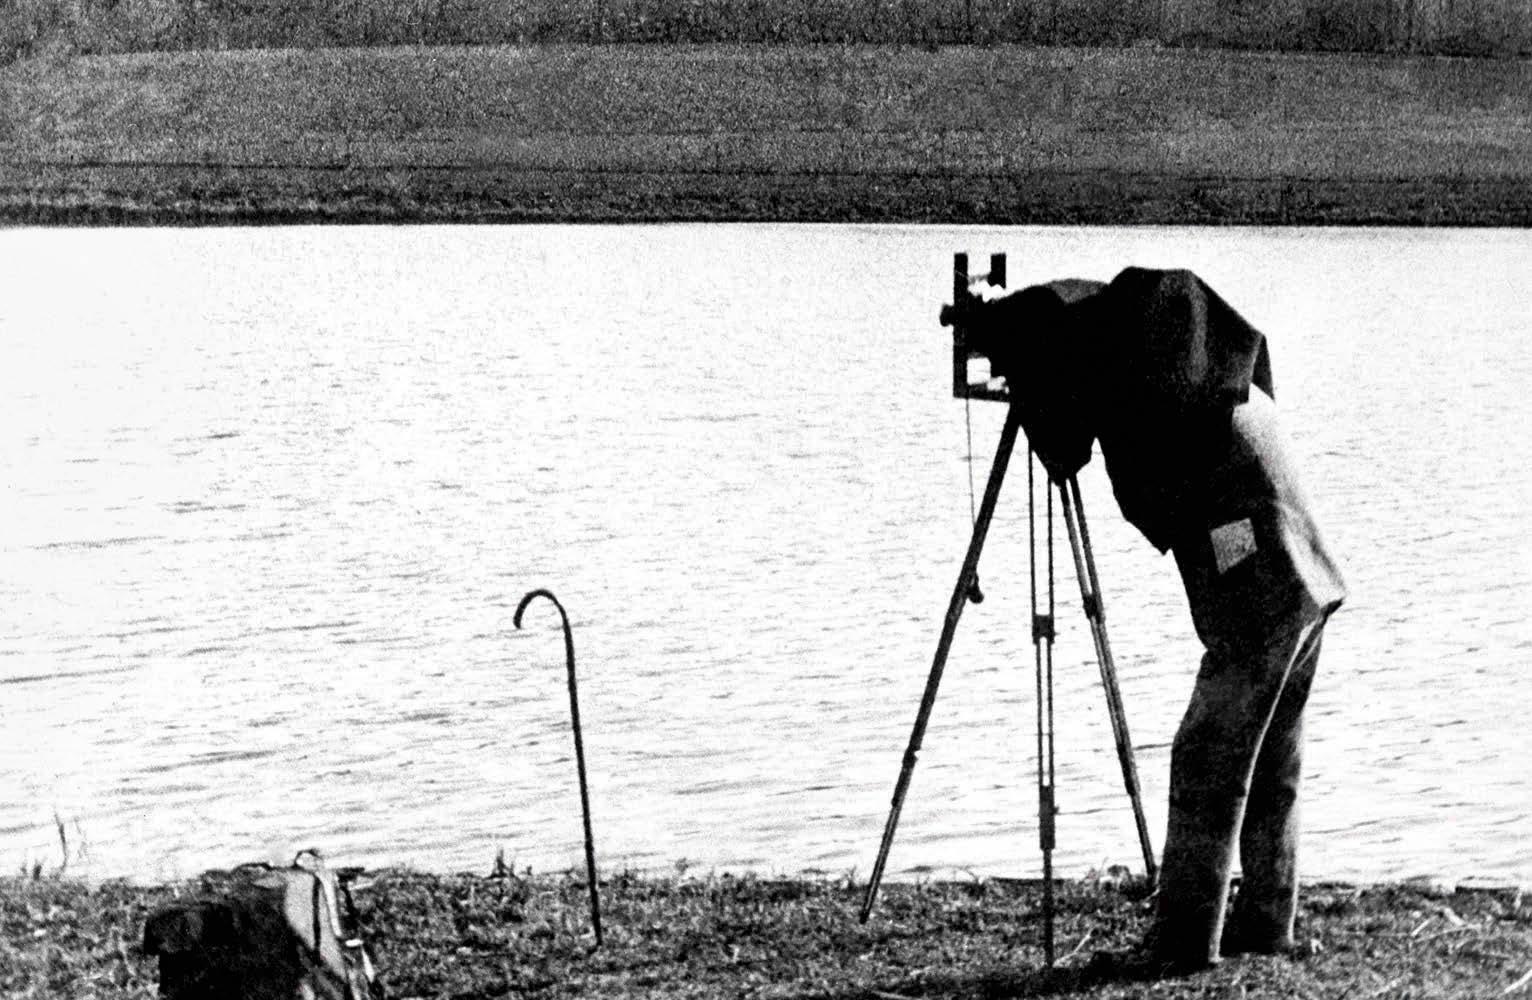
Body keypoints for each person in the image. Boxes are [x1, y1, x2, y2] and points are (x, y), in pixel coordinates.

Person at [962, 267, 1346, 976]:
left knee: (1207, 759)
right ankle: (1267, 927)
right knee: (1271, 764)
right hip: (1310, 578)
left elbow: (1065, 449)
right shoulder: (1188, 359)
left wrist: (1036, 385)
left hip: (1264, 584)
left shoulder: (1131, 372)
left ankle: (1185, 945)